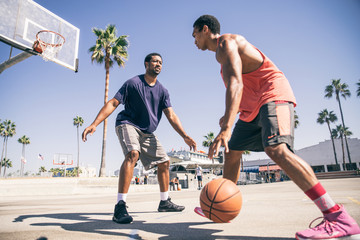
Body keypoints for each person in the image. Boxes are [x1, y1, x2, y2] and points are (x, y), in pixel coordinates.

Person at [191, 15, 360, 239]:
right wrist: (227, 116)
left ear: (205, 29)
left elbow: (236, 83)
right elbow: (243, 86)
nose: (194, 40)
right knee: (232, 152)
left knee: (277, 149)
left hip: (272, 95)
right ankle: (221, 202)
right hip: (252, 109)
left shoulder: (226, 43)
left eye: (195, 35)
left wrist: (227, 126)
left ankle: (337, 217)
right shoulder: (222, 57)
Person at [82, 53, 197, 224]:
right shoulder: (133, 83)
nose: (158, 64)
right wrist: (94, 124)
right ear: (146, 63)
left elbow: (171, 115)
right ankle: (120, 205)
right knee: (133, 154)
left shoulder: (163, 91)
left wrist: (185, 136)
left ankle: (164, 201)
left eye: (160, 62)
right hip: (127, 124)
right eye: (155, 61)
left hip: (147, 132)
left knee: (164, 162)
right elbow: (113, 103)